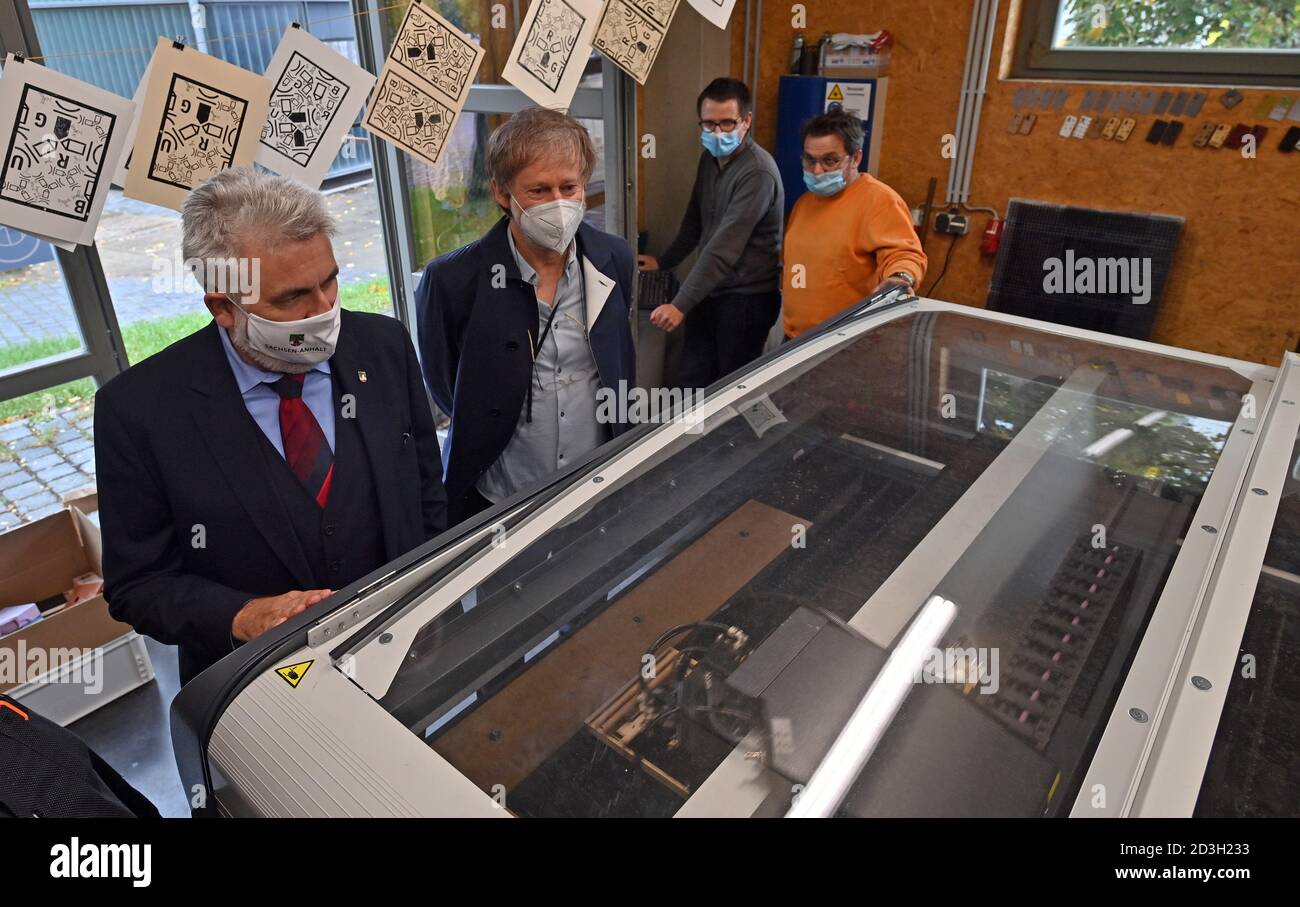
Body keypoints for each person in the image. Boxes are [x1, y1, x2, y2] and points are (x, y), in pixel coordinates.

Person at [95, 167, 447, 685]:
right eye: (293, 298)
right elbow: (137, 584)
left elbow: (425, 490)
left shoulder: (384, 345)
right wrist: (241, 616)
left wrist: (430, 599)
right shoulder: (139, 411)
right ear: (223, 307)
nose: (326, 310)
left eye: (330, 281)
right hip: (258, 685)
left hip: (404, 651)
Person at [416, 107, 636, 525]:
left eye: (569, 187)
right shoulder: (453, 281)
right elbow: (447, 385)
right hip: (501, 500)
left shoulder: (613, 259)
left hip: (594, 487)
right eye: (538, 191)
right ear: (503, 194)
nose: (559, 203)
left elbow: (617, 359)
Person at [638, 77, 784, 388]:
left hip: (745, 300)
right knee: (693, 377)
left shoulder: (757, 173)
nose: (718, 133)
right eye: (709, 125)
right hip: (711, 291)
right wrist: (664, 262)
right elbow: (695, 222)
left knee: (730, 389)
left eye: (727, 124)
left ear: (746, 121)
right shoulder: (711, 159)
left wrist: (680, 304)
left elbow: (723, 248)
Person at [782, 109, 927, 339]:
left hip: (845, 340)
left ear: (856, 158)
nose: (817, 170)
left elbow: (904, 254)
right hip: (796, 339)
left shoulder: (879, 201)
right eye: (810, 160)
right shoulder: (805, 203)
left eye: (830, 160)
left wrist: (901, 278)